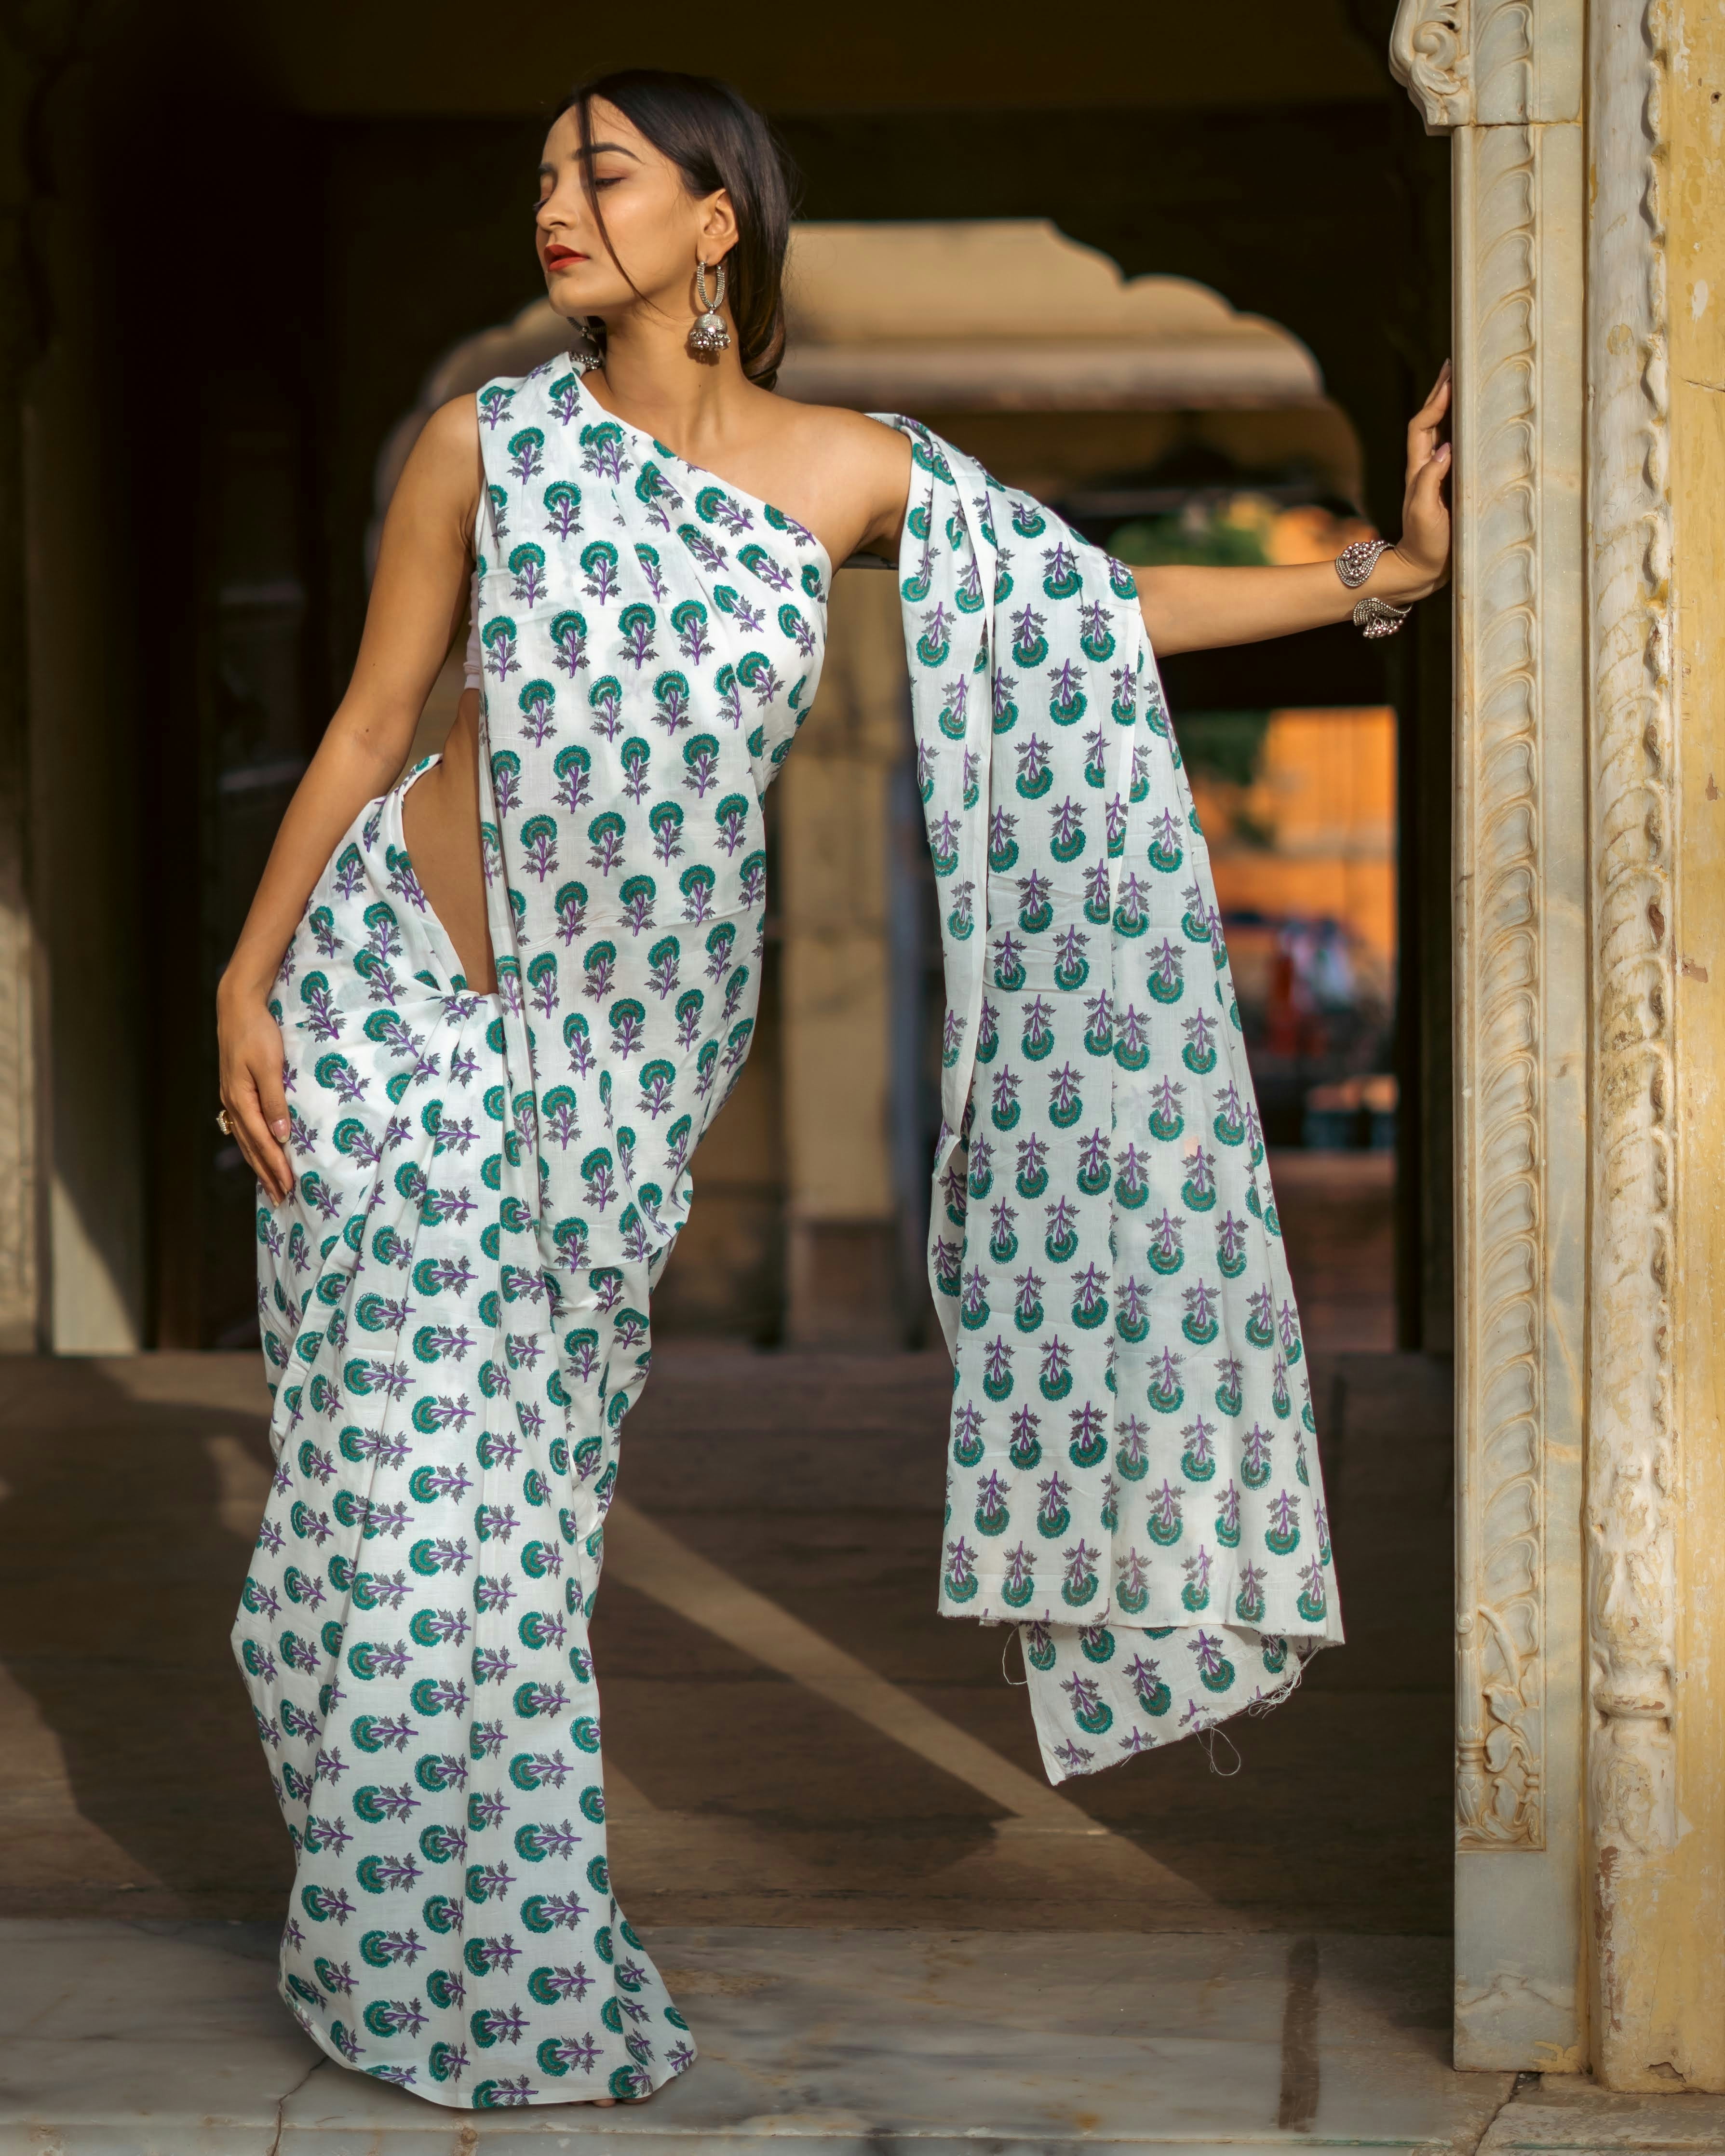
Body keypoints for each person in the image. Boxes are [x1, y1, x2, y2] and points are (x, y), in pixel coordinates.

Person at [219, 67, 1452, 2112]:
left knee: (509, 1542)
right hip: (388, 1007)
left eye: (599, 173)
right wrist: (250, 977)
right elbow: (363, 726)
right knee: (395, 1530)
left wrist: (1374, 581)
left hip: (615, 1097)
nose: (555, 206)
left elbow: (1096, 616)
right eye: (540, 178)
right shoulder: (486, 444)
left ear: (717, 223)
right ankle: (443, 1982)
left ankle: (458, 1943)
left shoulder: (845, 477)